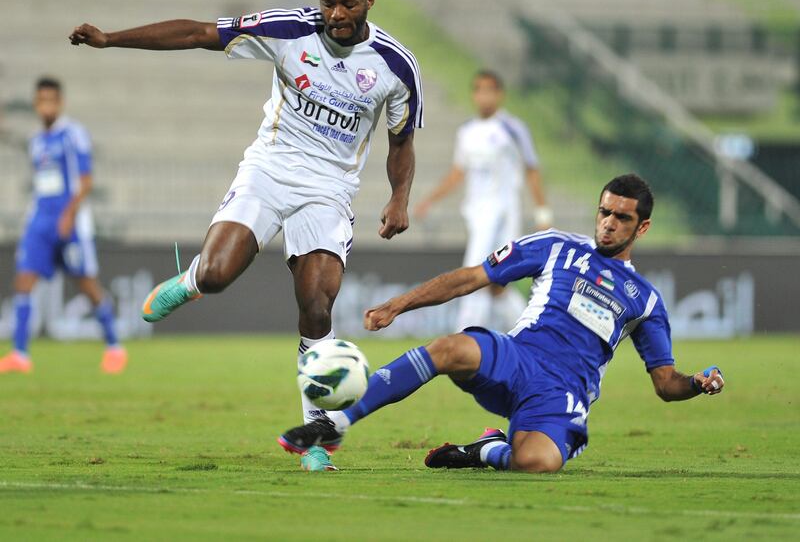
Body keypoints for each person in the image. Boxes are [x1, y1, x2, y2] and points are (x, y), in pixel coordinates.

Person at [68, 0, 422, 446]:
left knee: (317, 305)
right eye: (328, 3)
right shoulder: (287, 30)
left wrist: (399, 197)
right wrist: (111, 38)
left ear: (369, 1)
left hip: (329, 188)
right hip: (270, 168)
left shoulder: (396, 66)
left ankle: (316, 435)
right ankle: (191, 279)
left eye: (348, 4)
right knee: (217, 275)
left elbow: (401, 142)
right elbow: (196, 33)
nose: (336, 14)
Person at [279, 174, 725, 473]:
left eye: (621, 218)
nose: (608, 224)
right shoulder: (555, 246)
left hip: (563, 393)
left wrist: (696, 384)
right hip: (519, 357)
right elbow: (473, 277)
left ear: (641, 228)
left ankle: (485, 449)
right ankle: (334, 424)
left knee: (537, 464)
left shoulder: (645, 300)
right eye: (604, 212)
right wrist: (400, 304)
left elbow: (665, 382)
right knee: (451, 348)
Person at [0, 78, 127, 374]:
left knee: (86, 285)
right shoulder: (36, 141)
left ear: (59, 103)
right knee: (24, 281)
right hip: (40, 220)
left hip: (69, 220)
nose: (46, 106)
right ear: (35, 104)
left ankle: (114, 346)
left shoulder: (73, 135)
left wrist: (69, 215)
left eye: (50, 100)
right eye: (41, 100)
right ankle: (20, 353)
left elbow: (85, 182)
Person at [414, 70, 551, 331]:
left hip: (502, 213)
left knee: (476, 271)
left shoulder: (512, 128)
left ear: (499, 94)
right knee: (496, 285)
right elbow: (458, 172)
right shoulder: (466, 131)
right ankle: (532, 331)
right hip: (476, 213)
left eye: (489, 90)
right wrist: (430, 200)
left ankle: (464, 336)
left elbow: (531, 168)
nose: (484, 95)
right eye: (478, 90)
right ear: (474, 95)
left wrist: (542, 212)